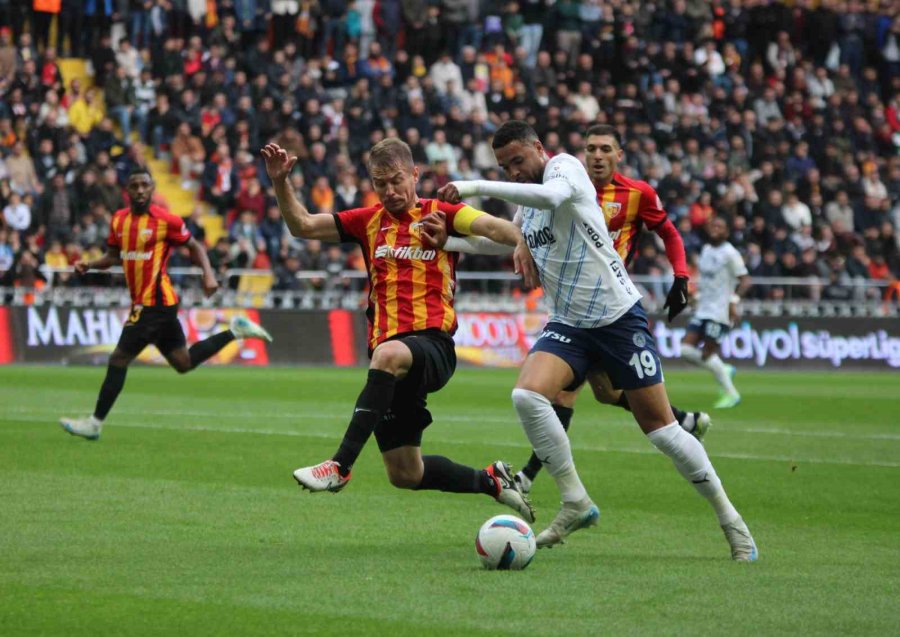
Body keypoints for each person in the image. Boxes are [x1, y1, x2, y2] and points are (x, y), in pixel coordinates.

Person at [436, 121, 757, 560]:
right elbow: (508, 242)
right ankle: (575, 501)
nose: (513, 171)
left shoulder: (564, 169)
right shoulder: (525, 207)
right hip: (569, 323)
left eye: (517, 161)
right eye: (504, 167)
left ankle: (732, 522)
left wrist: (471, 185)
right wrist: (450, 241)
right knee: (527, 396)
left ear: (539, 149)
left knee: (662, 431)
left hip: (618, 318)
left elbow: (550, 199)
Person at [260, 139, 536, 524]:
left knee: (387, 354)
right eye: (380, 183)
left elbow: (491, 226)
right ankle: (492, 481)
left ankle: (339, 466)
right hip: (391, 363)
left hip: (432, 348)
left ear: (415, 176)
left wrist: (522, 240)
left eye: (396, 181)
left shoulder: (443, 214)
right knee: (406, 473)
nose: (389, 191)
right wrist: (280, 183)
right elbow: (302, 224)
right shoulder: (366, 221)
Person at [59, 168, 273, 441]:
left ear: (152, 189)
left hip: (155, 303)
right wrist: (89, 264)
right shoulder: (119, 220)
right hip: (156, 304)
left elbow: (194, 246)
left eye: (144, 185)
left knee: (119, 358)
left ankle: (95, 423)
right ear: (127, 190)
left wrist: (208, 274)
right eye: (134, 185)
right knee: (183, 363)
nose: (139, 190)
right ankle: (236, 331)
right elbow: (114, 255)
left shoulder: (166, 221)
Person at [681, 217, 751, 408]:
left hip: (720, 312)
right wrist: (696, 297)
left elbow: (745, 280)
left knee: (707, 354)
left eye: (719, 226)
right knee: (685, 350)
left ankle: (731, 393)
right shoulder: (706, 250)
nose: (715, 228)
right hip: (704, 308)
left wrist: (733, 301)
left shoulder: (730, 253)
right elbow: (706, 280)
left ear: (726, 232)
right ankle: (724, 368)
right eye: (713, 225)